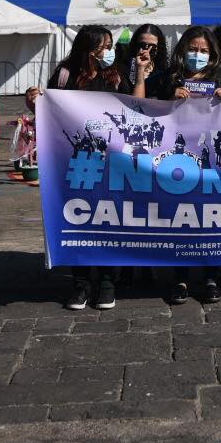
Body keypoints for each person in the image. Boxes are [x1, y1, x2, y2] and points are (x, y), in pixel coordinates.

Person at [29, 25, 124, 311]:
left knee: (110, 219)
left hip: (111, 160)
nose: (107, 51)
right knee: (78, 217)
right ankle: (81, 284)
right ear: (88, 48)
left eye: (110, 45)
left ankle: (107, 283)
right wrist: (34, 100)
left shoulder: (114, 75)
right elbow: (49, 110)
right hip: (75, 160)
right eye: (103, 46)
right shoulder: (66, 74)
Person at [164, 26, 221, 304]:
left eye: (204, 51)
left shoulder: (219, 77)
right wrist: (170, 95)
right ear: (183, 50)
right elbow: (144, 106)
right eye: (193, 49)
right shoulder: (170, 78)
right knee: (180, 219)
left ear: (212, 54)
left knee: (210, 220)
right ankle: (180, 278)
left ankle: (211, 277)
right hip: (177, 162)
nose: (198, 55)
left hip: (211, 163)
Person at [122, 23, 170, 99]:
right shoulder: (123, 67)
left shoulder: (164, 71)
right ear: (135, 45)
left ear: (159, 48)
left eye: (153, 47)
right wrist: (140, 68)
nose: (147, 50)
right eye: (142, 45)